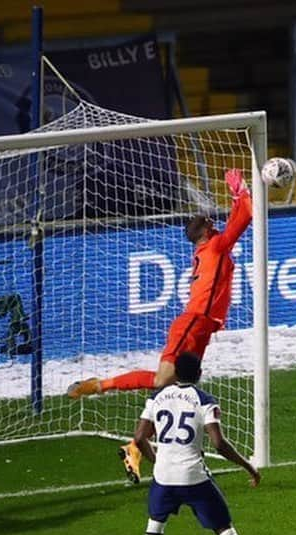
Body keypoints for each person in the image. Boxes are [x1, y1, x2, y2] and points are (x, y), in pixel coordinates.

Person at [67, 168, 252, 484]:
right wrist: (240, 190)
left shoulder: (210, 247)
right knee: (161, 383)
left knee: (171, 388)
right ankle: (102, 390)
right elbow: (245, 214)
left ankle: (135, 446)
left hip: (201, 328)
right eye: (208, 221)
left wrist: (239, 196)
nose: (212, 220)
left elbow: (239, 218)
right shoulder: (216, 246)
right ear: (206, 230)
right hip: (192, 324)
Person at [134, 351, 281, 535]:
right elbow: (219, 444)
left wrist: (157, 460)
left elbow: (139, 438)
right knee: (224, 529)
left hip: (164, 476)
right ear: (199, 374)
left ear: (175, 373)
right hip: (193, 477)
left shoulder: (155, 398)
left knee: (155, 524)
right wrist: (248, 466)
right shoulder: (204, 401)